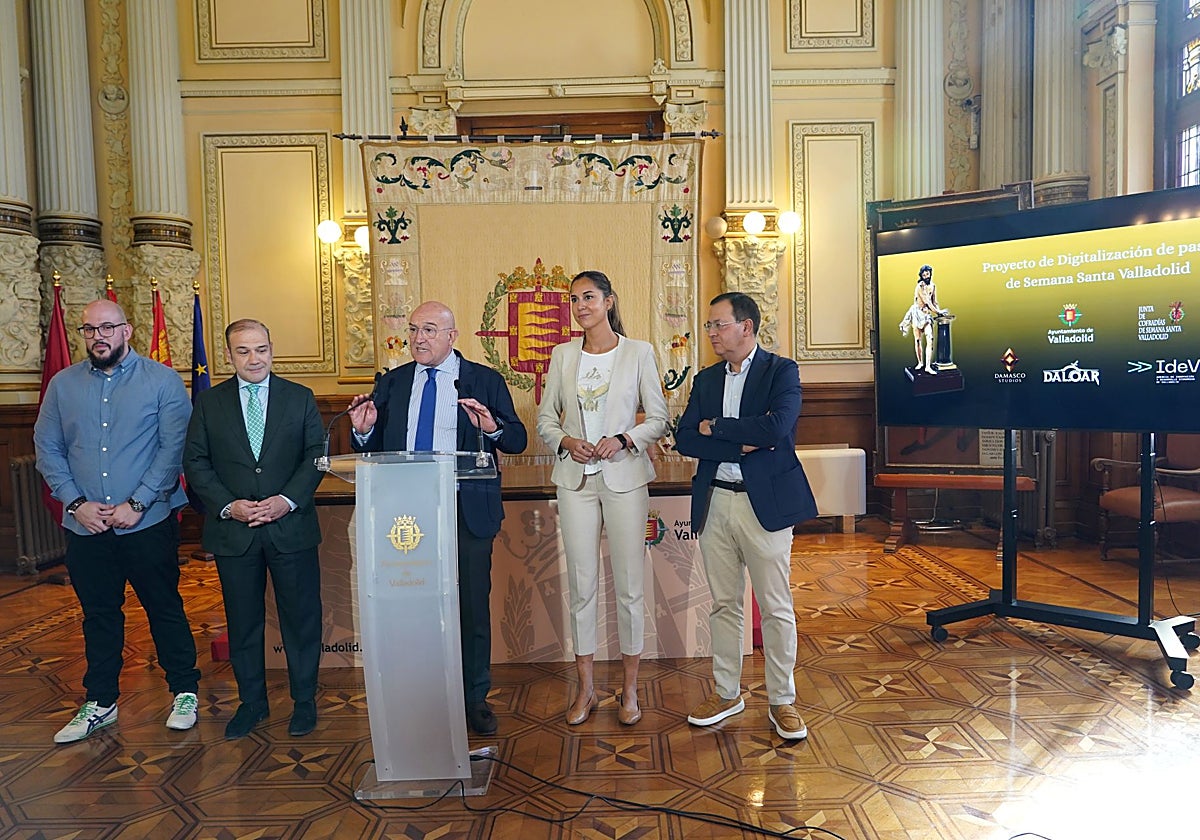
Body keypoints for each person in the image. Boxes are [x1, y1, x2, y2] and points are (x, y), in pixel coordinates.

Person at [347, 300, 527, 736]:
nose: (419, 338)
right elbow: (373, 451)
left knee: (469, 609)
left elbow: (517, 440)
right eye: (413, 330)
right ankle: (420, 696)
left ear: (452, 336)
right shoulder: (391, 383)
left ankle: (473, 699)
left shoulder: (483, 380)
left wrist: (490, 427)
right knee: (413, 605)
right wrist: (365, 430)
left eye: (429, 330)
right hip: (407, 515)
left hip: (466, 509)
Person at [34, 298, 200, 744]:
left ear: (127, 330)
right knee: (99, 615)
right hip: (86, 526)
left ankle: (184, 690)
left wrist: (139, 503)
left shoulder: (162, 381)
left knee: (164, 607)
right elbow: (46, 447)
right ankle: (100, 702)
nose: (98, 336)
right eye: (89, 329)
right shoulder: (62, 385)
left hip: (146, 522)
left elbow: (172, 450)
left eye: (107, 328)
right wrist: (75, 504)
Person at [673, 292, 817, 741]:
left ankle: (782, 700)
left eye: (719, 325)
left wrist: (714, 426)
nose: (712, 333)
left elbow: (776, 429)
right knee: (724, 603)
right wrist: (737, 442)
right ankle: (726, 692)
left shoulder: (782, 371)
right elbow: (684, 438)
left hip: (766, 504)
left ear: (747, 327)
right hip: (716, 500)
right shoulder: (706, 378)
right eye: (710, 326)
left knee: (775, 606)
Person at [536, 271, 669, 727]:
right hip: (575, 480)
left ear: (609, 301)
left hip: (625, 479)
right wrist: (566, 441)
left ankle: (629, 690)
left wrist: (625, 438)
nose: (580, 306)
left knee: (631, 586)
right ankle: (586, 690)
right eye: (574, 299)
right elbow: (544, 420)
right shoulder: (562, 355)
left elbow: (659, 417)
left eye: (589, 297)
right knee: (582, 586)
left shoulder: (639, 353)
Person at [183, 319, 325, 740]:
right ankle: (252, 704)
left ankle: (304, 701)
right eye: (243, 351)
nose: (254, 358)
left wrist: (286, 500)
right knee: (242, 622)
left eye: (261, 349)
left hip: (291, 526)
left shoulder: (300, 398)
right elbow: (196, 463)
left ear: (271, 349)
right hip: (235, 532)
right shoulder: (209, 403)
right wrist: (230, 506)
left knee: (301, 620)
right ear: (229, 355)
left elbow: (316, 456)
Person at [898, 264, 942, 375]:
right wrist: (938, 312)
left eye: (928, 273)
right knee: (917, 340)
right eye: (924, 274)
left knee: (930, 339)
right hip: (917, 314)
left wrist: (939, 311)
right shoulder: (920, 286)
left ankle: (928, 366)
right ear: (921, 275)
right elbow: (926, 301)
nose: (926, 276)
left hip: (927, 315)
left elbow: (934, 301)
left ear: (930, 274)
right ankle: (920, 362)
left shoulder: (933, 286)